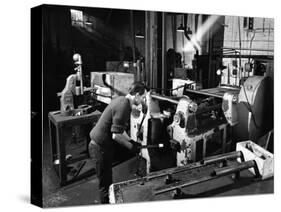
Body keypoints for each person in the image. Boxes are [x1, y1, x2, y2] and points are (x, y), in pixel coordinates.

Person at [88, 81, 147, 204]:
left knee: (107, 180)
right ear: (136, 95)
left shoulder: (122, 100)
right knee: (105, 185)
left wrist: (131, 140)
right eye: (142, 97)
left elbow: (120, 129)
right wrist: (131, 147)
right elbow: (116, 135)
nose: (142, 100)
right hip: (99, 147)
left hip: (102, 146)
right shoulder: (124, 106)